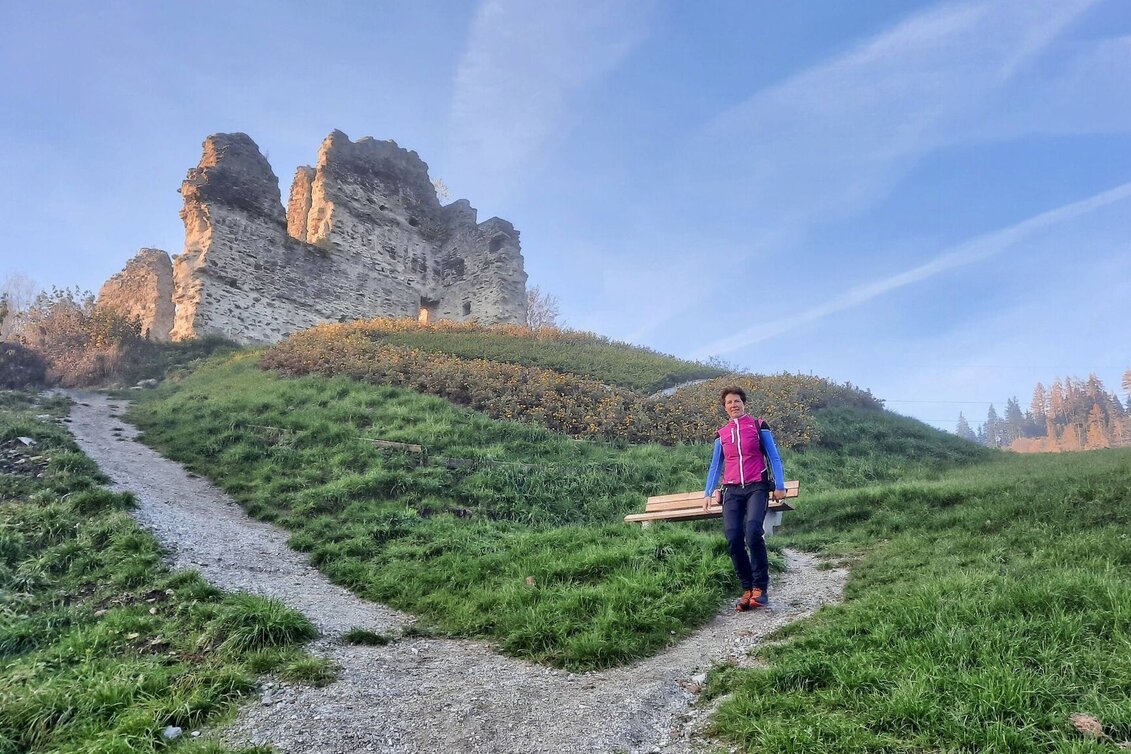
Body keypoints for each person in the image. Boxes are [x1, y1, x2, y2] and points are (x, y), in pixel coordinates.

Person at [703, 386, 787, 611]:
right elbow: (715, 465)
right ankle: (747, 588)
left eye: (737, 401)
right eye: (729, 402)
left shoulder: (759, 426)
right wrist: (708, 492)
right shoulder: (721, 434)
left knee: (752, 532)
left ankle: (760, 588)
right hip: (731, 491)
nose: (734, 405)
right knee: (733, 538)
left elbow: (774, 457)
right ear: (724, 407)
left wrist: (779, 485)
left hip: (756, 487)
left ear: (744, 403)